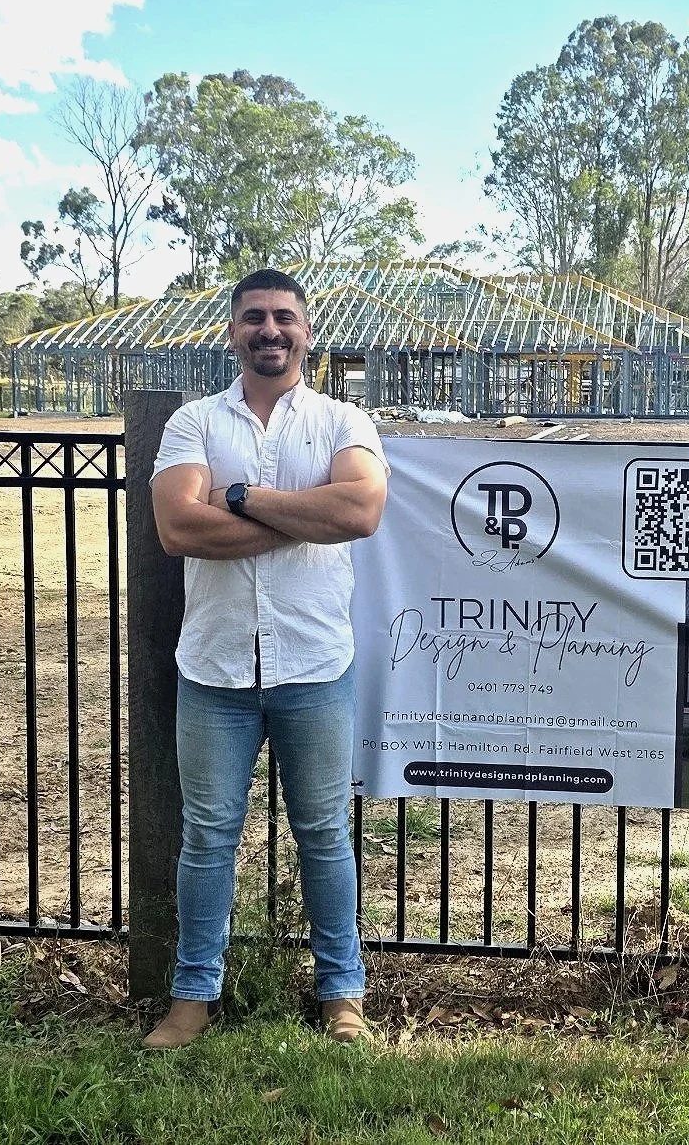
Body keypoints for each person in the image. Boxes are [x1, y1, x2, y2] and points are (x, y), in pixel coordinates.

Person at [143, 268, 389, 1048]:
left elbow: (360, 509)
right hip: (214, 668)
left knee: (323, 833)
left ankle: (341, 993)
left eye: (284, 316)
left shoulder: (342, 420)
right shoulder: (192, 422)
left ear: (307, 332)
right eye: (254, 317)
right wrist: (306, 514)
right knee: (208, 836)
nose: (270, 329)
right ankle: (192, 996)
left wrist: (242, 498)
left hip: (314, 664)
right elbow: (178, 528)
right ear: (232, 332)